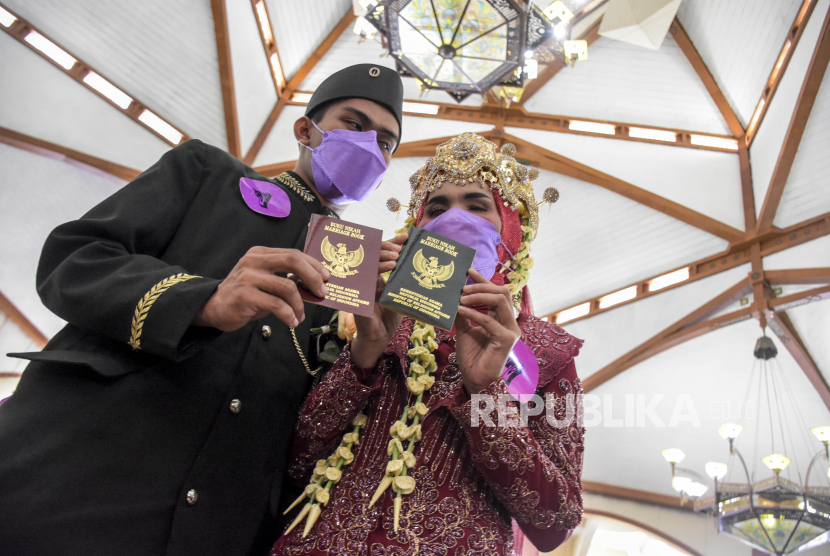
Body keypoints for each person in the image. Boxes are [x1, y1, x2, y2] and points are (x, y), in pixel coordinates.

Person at [0, 64, 404, 556]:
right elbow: (73, 260)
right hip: (75, 472)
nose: (369, 147)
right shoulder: (208, 173)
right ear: (305, 130)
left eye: (385, 142)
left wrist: (367, 350)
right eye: (355, 125)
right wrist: (202, 301)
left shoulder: (357, 282)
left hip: (215, 526)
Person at [272, 133, 584, 556]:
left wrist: (485, 394)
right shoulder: (369, 319)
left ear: (512, 230)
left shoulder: (547, 352)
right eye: (436, 208)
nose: (453, 219)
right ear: (416, 225)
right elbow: (295, 462)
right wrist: (362, 356)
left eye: (476, 206)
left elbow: (555, 522)